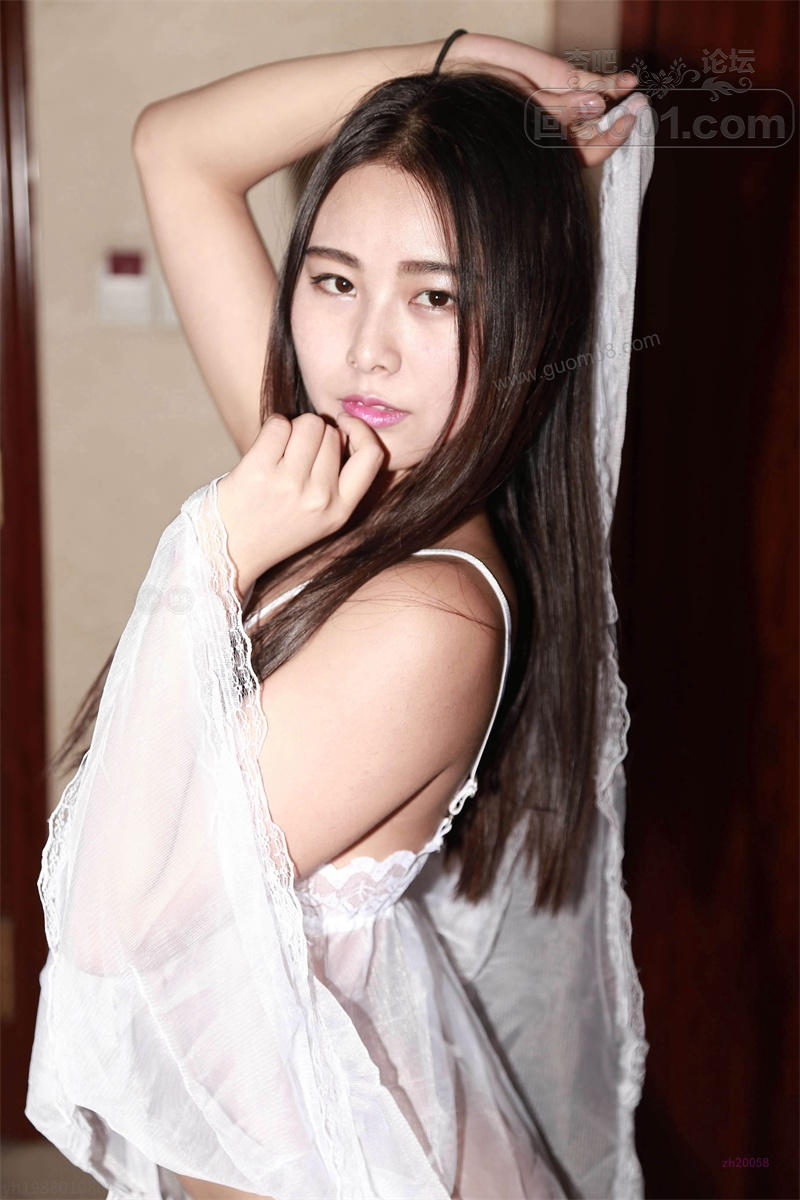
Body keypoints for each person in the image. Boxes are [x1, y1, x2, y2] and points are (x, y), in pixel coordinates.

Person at [25, 29, 653, 1200]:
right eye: (333, 280)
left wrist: (217, 548)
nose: (367, 349)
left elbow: (118, 934)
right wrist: (448, 63)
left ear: (526, 318)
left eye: (435, 295)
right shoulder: (357, 482)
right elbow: (176, 147)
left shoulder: (429, 617)